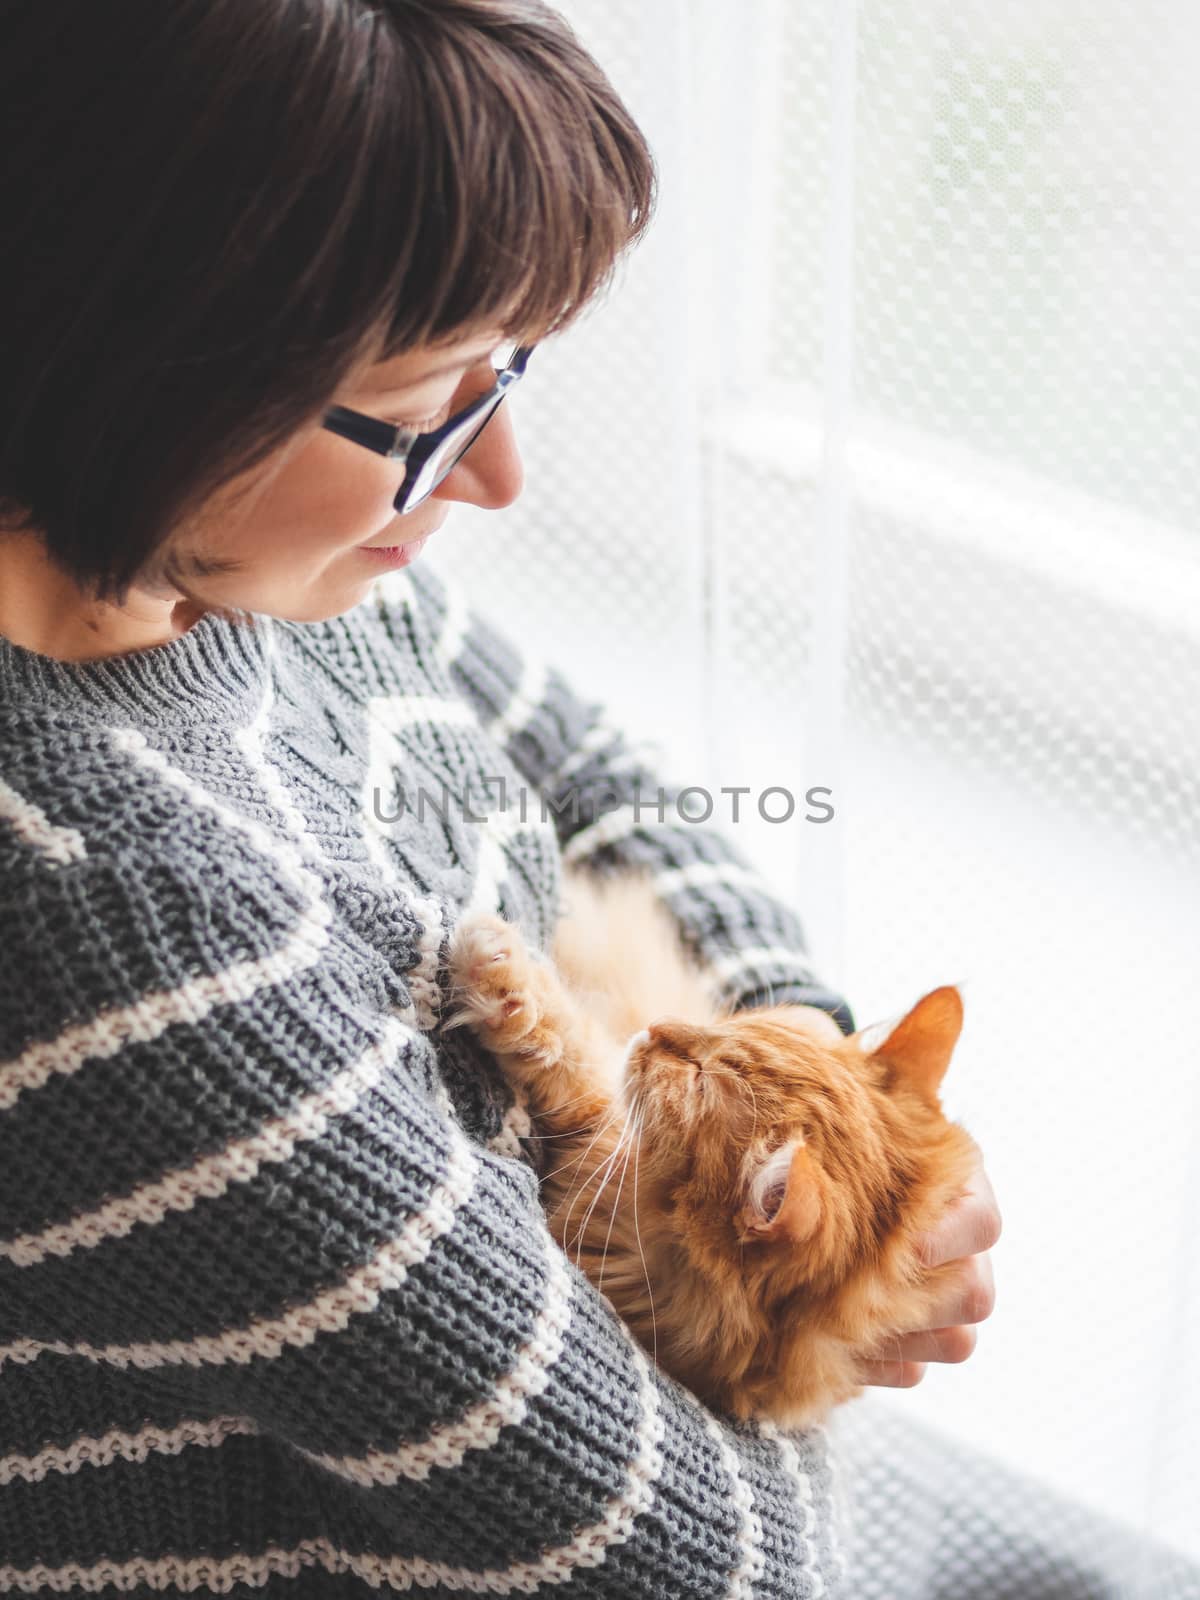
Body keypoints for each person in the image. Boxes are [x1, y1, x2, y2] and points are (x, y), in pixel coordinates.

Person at [0, 3, 1008, 1595]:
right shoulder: (123, 934)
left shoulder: (261, 564)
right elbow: (730, 1567)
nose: (499, 472)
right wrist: (817, 1318)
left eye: (510, 371)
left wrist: (824, 1090)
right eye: (430, 407)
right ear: (166, 367)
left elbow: (610, 792)